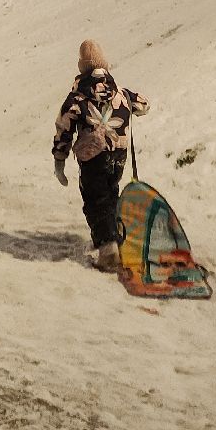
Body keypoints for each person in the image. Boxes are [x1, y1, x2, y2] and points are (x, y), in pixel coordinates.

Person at [51, 39, 149, 273]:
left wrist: (59, 160)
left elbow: (64, 127)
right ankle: (114, 239)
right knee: (110, 195)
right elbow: (144, 105)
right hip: (118, 157)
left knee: (96, 200)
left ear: (81, 67)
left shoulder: (77, 97)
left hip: (93, 156)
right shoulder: (121, 92)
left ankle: (108, 250)